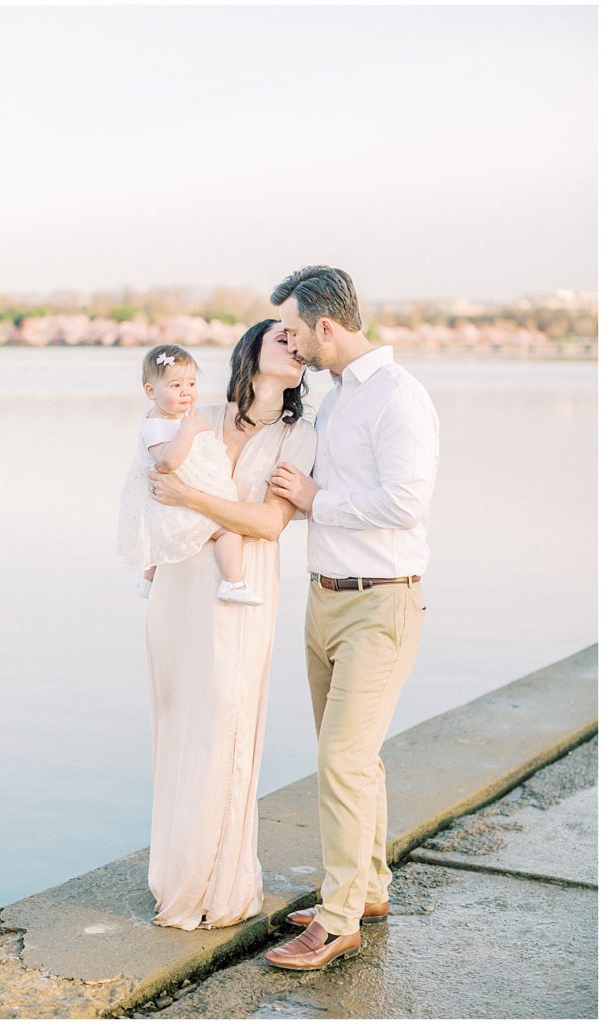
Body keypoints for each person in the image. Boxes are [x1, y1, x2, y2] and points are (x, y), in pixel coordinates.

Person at [266, 266, 439, 970]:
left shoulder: (399, 397)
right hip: (326, 599)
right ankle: (365, 889)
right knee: (353, 761)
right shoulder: (334, 401)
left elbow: (406, 504)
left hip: (379, 601)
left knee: (340, 759)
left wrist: (315, 500)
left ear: (327, 326)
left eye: (297, 330)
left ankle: (337, 922)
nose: (292, 341)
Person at [144, 319, 317, 930]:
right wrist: (152, 545)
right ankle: (174, 876)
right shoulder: (200, 413)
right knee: (180, 723)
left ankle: (221, 884)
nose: (295, 350)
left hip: (242, 589)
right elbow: (151, 479)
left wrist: (191, 500)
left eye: (301, 345)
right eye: (281, 341)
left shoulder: (299, 435)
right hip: (180, 585)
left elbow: (269, 523)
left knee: (227, 721)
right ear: (250, 351)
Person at [117, 344, 262, 605]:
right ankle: (233, 582)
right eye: (175, 386)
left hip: (178, 494)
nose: (186, 392)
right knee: (229, 530)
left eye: (192, 384)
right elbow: (169, 461)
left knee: (157, 534)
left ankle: (149, 582)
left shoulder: (174, 419)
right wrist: (188, 430)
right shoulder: (156, 426)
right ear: (151, 391)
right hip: (173, 499)